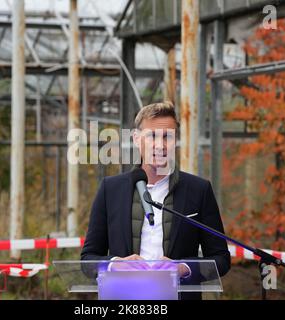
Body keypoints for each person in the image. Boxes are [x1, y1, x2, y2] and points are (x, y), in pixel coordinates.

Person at [81, 101, 230, 299]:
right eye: (152, 136)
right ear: (136, 139)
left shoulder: (198, 190)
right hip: (123, 297)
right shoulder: (111, 189)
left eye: (167, 137)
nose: (160, 145)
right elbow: (87, 260)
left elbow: (221, 259)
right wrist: (114, 263)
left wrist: (183, 268)